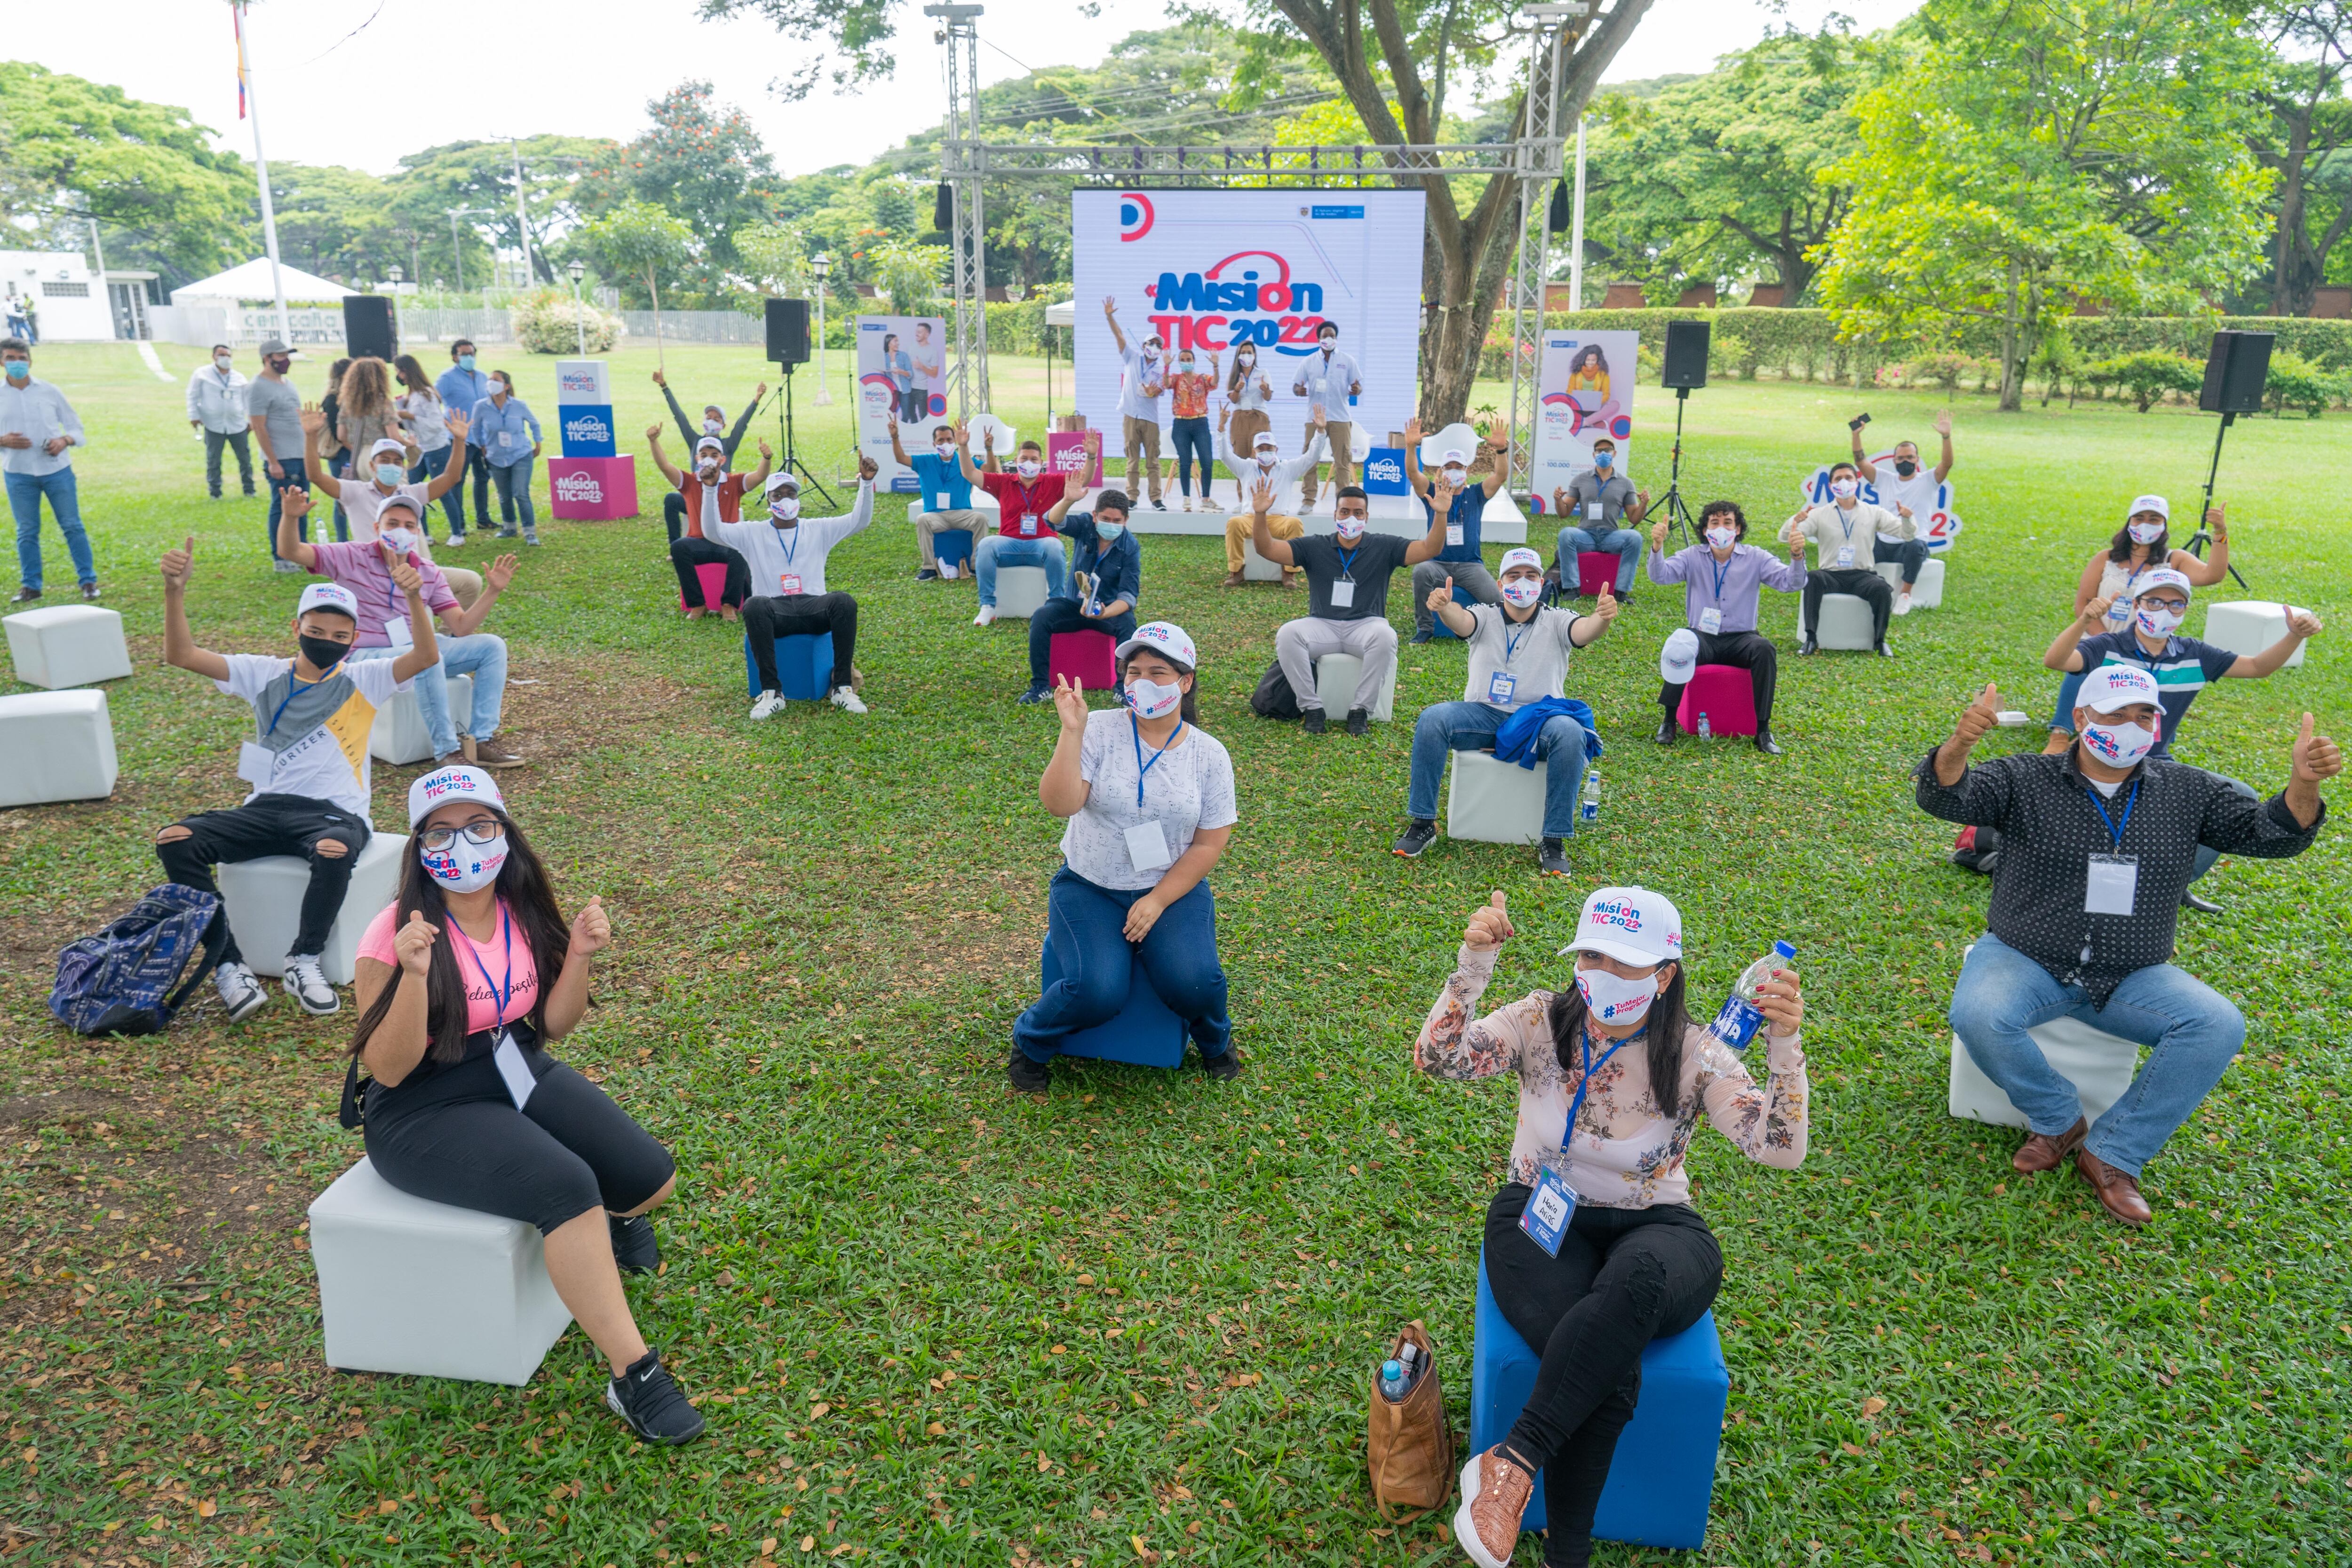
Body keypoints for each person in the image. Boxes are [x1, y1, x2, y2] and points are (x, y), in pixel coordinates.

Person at [1422, 884, 1806, 1568]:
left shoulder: (1696, 1051)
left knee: (1640, 1279)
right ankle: (1567, 1553)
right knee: (1607, 1367)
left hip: (1656, 1223)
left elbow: (1777, 1148)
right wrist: (1472, 966)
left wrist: (1785, 1045)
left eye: (1623, 961)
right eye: (1591, 955)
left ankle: (1513, 1460)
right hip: (1539, 1214)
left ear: (1663, 975)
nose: (1601, 972)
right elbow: (1438, 1059)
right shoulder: (1539, 1019)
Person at [348, 764, 703, 1445]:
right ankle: (634, 1375)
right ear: (420, 848)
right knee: (567, 1187)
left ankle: (611, 1227)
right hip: (422, 1102)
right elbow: (388, 1068)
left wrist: (580, 955)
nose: (463, 843)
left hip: (512, 1063)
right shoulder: (393, 934)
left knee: (650, 1178)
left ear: (505, 833)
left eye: (479, 826)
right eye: (441, 832)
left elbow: (555, 1025)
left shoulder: (521, 910)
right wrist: (414, 976)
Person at [1921, 668, 2335, 1225]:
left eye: (2143, 715)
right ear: (2080, 717)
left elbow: (2273, 836)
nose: (2129, 725)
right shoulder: (2024, 776)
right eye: (2114, 713)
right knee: (1978, 1013)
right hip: (2025, 954)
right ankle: (2057, 1118)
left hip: (2130, 972)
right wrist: (1958, 745)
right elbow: (1946, 797)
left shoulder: (2189, 789)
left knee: (2216, 1025)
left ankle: (2113, 1153)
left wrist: (2302, 783)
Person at [151, 534, 438, 1019]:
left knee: (334, 850)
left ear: (354, 639)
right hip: (265, 809)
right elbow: (182, 654)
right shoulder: (262, 673)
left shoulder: (364, 679)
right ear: (297, 627)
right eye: (316, 630)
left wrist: (414, 598)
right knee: (175, 839)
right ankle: (228, 963)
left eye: (340, 636)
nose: (327, 641)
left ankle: (304, 959)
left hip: (335, 814)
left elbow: (425, 658)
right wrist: (173, 590)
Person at [1011, 621, 1239, 1090]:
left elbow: (1208, 843)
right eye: (1133, 672)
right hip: (1089, 886)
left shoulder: (1209, 755)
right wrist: (1071, 732)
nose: (1143, 682)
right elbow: (1060, 804)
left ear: (1186, 681)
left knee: (1195, 981)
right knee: (1096, 991)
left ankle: (1215, 1041)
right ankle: (1030, 1040)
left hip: (1171, 890)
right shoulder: (1097, 728)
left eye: (1158, 672)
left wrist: (1157, 900)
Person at [2042, 567, 2321, 914]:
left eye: (2176, 604)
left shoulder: (2194, 654)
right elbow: (2056, 660)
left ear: (2186, 610)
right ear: (2138, 604)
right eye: (2155, 601)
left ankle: (2172, 885)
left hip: (2156, 762)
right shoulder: (2109, 646)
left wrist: (2294, 635)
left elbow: (2257, 667)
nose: (2165, 610)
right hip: (2101, 759)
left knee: (2240, 795)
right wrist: (2085, 620)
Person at [1394, 548, 1617, 877]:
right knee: (1433, 719)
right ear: (1500, 585)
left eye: (1530, 576)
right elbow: (1462, 621)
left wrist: (1602, 618)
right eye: (1514, 576)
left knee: (1570, 733)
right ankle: (1422, 823)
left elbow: (1584, 630)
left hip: (1540, 720)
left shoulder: (1557, 618)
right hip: (1484, 714)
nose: (1522, 582)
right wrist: (1444, 607)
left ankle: (1553, 840)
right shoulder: (1485, 614)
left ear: (1541, 582)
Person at [278, 487, 524, 769]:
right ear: (377, 528)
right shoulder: (350, 555)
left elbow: (461, 626)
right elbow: (291, 551)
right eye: (392, 524)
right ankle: (447, 750)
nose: (401, 531)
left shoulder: (428, 571)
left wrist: (493, 591)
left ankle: (481, 740)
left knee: (491, 646)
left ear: (417, 532)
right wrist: (291, 517)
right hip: (364, 654)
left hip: (409, 648)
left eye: (409, 526)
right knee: (425, 657)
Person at [1254, 479, 1446, 734]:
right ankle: (1312, 708)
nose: (1351, 518)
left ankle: (1360, 711)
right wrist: (1260, 514)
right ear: (1335, 514)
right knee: (1288, 633)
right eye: (1345, 512)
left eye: (1358, 513)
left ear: (1367, 517)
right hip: (1323, 624)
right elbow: (1266, 548)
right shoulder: (1315, 546)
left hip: (1366, 625)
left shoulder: (1384, 546)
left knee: (1386, 636)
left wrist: (1440, 515)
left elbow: (1430, 548)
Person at [2045, 495, 2232, 755]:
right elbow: (2084, 602)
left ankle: (2147, 733)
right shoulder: (2105, 559)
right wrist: (2108, 644)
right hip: (2102, 637)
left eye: (2154, 519)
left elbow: (2214, 574)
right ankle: (2060, 732)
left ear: (2164, 525)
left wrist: (2220, 532)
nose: (2146, 524)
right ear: (2129, 522)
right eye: (2139, 518)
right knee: (2081, 665)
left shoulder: (2174, 560)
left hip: (2147, 645)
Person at [713, 461, 880, 718]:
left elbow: (859, 521)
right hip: (775, 612)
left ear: (798, 498)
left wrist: (866, 484)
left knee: (843, 601)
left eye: (791, 494)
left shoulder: (818, 529)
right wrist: (710, 490)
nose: (785, 500)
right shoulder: (752, 532)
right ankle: (772, 693)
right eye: (777, 495)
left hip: (814, 608)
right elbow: (712, 531)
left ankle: (842, 687)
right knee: (755, 604)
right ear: (768, 500)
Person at [1649, 503, 1806, 755]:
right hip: (1703, 636)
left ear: (1738, 528)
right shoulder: (1692, 556)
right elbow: (1660, 576)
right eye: (1714, 523)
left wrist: (1797, 556)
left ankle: (1763, 730)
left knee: (1764, 649)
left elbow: (1792, 583)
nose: (1721, 528)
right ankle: (1669, 721)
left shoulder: (1756, 557)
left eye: (1728, 523)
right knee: (1680, 644)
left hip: (1742, 638)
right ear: (1705, 530)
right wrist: (1658, 547)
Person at [1019, 473, 1142, 704]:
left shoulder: (1130, 547)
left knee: (1128, 624)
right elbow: (1053, 521)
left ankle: (1123, 689)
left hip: (1106, 609)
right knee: (1042, 616)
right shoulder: (1086, 526)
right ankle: (1040, 686)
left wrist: (1104, 613)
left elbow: (1128, 596)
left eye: (1117, 521)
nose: (1111, 525)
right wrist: (1068, 500)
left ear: (1126, 520)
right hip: (1074, 605)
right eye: (1105, 519)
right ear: (1095, 516)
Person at [1780, 461, 1910, 655]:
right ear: (1831, 485)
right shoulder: (1819, 514)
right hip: (1831, 574)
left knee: (1882, 589)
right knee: (1813, 578)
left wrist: (1907, 518)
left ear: (1857, 482)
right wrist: (1795, 520)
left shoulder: (1873, 512)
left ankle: (1880, 641)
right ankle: (1811, 638)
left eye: (1848, 478)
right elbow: (1785, 536)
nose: (1844, 482)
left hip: (1862, 575)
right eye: (1838, 479)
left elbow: (1906, 534)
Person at [1, 336, 95, 605]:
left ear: (31, 361)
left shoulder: (50, 392)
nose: (17, 363)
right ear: (2, 362)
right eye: (11, 358)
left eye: (22, 359)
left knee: (72, 526)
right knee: (27, 531)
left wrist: (64, 440)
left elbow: (77, 429)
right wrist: (3, 440)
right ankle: (31, 587)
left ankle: (88, 582)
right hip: (18, 473)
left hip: (57, 471)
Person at [649, 428, 773, 621]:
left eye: (714, 455)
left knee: (741, 548)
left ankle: (729, 604)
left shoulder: (733, 482)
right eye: (704, 455)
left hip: (726, 542)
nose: (709, 459)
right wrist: (653, 441)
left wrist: (767, 458)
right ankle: (698, 604)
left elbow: (760, 476)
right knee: (679, 547)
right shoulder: (690, 482)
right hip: (698, 542)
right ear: (697, 459)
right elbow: (664, 466)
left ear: (722, 460)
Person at [1406, 420, 1514, 642]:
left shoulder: (1476, 494)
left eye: (1459, 467)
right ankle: (1425, 628)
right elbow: (1413, 474)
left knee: (1497, 601)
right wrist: (1410, 446)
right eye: (1449, 467)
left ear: (1467, 470)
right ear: (1441, 471)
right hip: (1437, 563)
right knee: (1421, 572)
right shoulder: (1432, 492)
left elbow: (1500, 476)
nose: (1454, 471)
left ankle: (1501, 630)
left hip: (1470, 565)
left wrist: (1501, 450)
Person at [1851, 407, 1953, 608]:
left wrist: (1946, 437)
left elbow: (1947, 463)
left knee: (1915, 546)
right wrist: (1856, 435)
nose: (1905, 461)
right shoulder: (1884, 479)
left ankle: (1905, 595)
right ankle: (1858, 589)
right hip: (1884, 542)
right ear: (1894, 461)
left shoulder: (1929, 480)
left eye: (1910, 457)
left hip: (1911, 543)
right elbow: (1860, 461)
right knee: (1860, 542)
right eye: (1901, 458)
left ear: (1917, 459)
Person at [969, 430, 1075, 620]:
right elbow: (970, 474)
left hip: (1041, 544)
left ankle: (1057, 605)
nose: (1029, 463)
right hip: (1008, 544)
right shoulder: (1003, 482)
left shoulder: (1052, 481)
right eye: (1024, 458)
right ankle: (987, 606)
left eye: (1034, 459)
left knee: (1055, 546)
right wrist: (963, 447)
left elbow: (1084, 479)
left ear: (1041, 463)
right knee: (986, 545)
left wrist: (1091, 456)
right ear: (1016, 461)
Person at [1217, 425, 1328, 589]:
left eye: (1269, 448)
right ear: (1254, 451)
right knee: (1234, 523)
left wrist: (1320, 432)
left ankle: (1289, 573)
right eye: (1261, 449)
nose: (1265, 452)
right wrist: (1221, 430)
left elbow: (1312, 456)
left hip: (1278, 519)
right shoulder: (1246, 467)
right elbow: (1225, 456)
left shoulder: (1287, 468)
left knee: (1295, 524)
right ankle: (1236, 571)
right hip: (1251, 519)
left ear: (1276, 449)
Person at [1549, 437, 1648, 600]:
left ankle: (1621, 591)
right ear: (1594, 455)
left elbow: (1634, 519)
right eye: (1599, 451)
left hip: (1611, 536)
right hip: (1586, 535)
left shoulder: (1626, 483)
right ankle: (1572, 588)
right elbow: (1564, 513)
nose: (1603, 454)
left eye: (1607, 450)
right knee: (1566, 534)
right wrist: (1558, 500)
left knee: (1635, 537)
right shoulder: (1580, 480)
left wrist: (1643, 504)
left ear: (1614, 454)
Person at [889, 415, 985, 581]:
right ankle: (929, 568)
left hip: (962, 514)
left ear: (955, 441)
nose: (945, 443)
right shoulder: (926, 461)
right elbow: (901, 458)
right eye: (941, 440)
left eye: (949, 440)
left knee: (981, 519)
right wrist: (895, 437)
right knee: (922, 520)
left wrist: (989, 449)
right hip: (936, 516)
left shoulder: (965, 461)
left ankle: (976, 566)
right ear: (934, 444)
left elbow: (990, 469)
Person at [246, 340, 311, 569]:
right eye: (281, 356)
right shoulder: (258, 387)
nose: (286, 361)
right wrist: (273, 461)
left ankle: (300, 551)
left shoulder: (287, 384)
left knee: (301, 506)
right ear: (267, 359)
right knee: (283, 507)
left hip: (299, 455)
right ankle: (282, 556)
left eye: (287, 356)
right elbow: (258, 426)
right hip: (282, 458)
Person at [1101, 296, 1168, 510]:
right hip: (1130, 415)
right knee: (1132, 460)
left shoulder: (1161, 368)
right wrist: (1110, 317)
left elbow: (1160, 390)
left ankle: (1156, 498)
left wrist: (1152, 392)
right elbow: (1119, 335)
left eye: (1158, 345)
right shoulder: (1132, 357)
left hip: (1150, 419)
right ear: (1144, 345)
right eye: (1151, 344)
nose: (1154, 347)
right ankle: (1132, 497)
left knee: (1153, 461)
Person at [1290, 320, 1363, 509]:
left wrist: (1357, 390)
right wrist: (1299, 390)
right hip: (1315, 417)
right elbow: (1296, 386)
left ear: (1336, 339)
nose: (1329, 339)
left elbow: (1358, 386)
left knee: (1343, 461)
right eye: (1325, 336)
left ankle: (1343, 503)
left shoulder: (1347, 361)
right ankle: (1308, 500)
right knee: (1310, 459)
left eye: (1332, 336)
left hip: (1340, 417)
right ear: (1318, 339)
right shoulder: (1308, 362)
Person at [469, 370, 542, 545]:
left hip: (520, 454)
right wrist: (482, 446)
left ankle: (530, 532)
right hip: (496, 456)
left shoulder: (519, 405)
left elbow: (534, 423)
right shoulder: (481, 406)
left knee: (521, 493)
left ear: (506, 386)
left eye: (496, 380)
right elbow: (476, 428)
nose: (491, 383)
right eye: (490, 380)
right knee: (504, 495)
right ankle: (509, 527)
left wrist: (538, 443)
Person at [392, 355, 459, 541]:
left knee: (443, 491)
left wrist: (411, 417)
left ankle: (457, 533)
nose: (397, 376)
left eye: (398, 371)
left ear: (406, 371)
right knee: (412, 491)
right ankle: (424, 534)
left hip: (436, 448)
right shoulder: (412, 395)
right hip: (421, 450)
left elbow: (436, 424)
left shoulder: (426, 394)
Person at [435, 342, 496, 546]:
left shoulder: (482, 377)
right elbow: (434, 400)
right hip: (461, 438)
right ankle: (458, 524)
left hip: (482, 436)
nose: (469, 357)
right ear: (455, 357)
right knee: (457, 480)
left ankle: (483, 519)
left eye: (472, 353)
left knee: (483, 477)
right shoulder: (447, 378)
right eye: (464, 354)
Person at [187, 343, 256, 501]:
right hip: (214, 424)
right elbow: (192, 395)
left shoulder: (239, 378)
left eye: (228, 356)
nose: (226, 359)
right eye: (222, 355)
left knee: (245, 458)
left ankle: (249, 489)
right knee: (214, 459)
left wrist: (250, 420)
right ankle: (215, 492)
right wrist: (194, 416)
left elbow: (247, 401)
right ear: (214, 356)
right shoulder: (202, 374)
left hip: (237, 424)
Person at [652, 366, 763, 462]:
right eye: (709, 418)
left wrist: (757, 399)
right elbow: (679, 417)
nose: (711, 421)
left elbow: (742, 424)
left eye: (716, 419)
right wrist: (664, 387)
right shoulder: (695, 441)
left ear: (723, 426)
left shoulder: (728, 445)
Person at [1219, 346, 1276, 506]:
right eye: (1243, 353)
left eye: (1249, 353)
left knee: (1260, 457)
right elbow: (1233, 399)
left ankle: (1263, 499)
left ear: (1255, 355)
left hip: (1259, 417)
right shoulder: (1232, 376)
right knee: (1241, 458)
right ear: (1238, 356)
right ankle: (1243, 501)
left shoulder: (1262, 373)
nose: (1246, 356)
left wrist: (1265, 389)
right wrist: (1237, 389)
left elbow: (1268, 397)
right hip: (1240, 418)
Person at [1166, 346, 1219, 511]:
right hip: (1181, 424)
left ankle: (1206, 498)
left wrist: (1216, 366)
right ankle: (1186, 499)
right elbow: (1166, 384)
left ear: (1194, 361)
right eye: (1183, 360)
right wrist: (1166, 366)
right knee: (1185, 462)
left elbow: (1214, 382)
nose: (1186, 362)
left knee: (1207, 462)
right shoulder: (1176, 379)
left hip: (1200, 423)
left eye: (1189, 360)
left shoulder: (1202, 378)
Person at [880, 332, 919, 424]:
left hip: (905, 390)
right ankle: (893, 431)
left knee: (906, 415)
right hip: (892, 391)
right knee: (890, 414)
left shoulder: (903, 356)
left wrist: (901, 371)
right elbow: (884, 379)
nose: (898, 343)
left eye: (898, 341)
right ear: (889, 343)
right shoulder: (883, 357)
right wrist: (881, 373)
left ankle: (901, 430)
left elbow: (910, 374)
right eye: (896, 341)